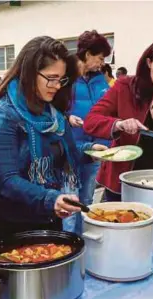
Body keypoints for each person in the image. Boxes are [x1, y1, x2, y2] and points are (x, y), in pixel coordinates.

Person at [0, 36, 83, 240]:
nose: (57, 86)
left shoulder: (51, 112)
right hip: (11, 222)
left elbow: (61, 152)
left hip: (49, 215)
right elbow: (6, 180)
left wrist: (91, 151)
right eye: (51, 78)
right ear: (29, 73)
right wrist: (50, 198)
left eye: (61, 79)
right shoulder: (2, 116)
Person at [83, 37, 153, 201]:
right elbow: (90, 121)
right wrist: (119, 124)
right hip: (122, 181)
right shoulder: (125, 87)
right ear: (149, 62)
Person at [64, 30, 111, 234]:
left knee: (86, 200)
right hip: (71, 151)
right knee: (69, 202)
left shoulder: (100, 79)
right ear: (87, 53)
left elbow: (109, 109)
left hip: (95, 151)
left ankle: (83, 241)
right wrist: (66, 118)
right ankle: (68, 244)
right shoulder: (66, 77)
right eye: (100, 58)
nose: (102, 63)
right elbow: (51, 110)